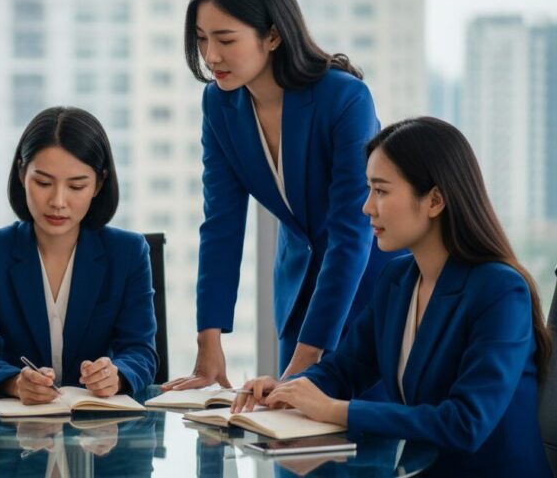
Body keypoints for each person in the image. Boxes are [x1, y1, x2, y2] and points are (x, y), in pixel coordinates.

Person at [232, 117, 553, 476]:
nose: (367, 207)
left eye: (381, 191)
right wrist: (288, 390)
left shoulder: (500, 291)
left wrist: (335, 410)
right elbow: (346, 368)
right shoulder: (397, 280)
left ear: (434, 201)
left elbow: (466, 423)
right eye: (368, 189)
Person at [163, 0, 400, 390]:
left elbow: (352, 230)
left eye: (226, 39)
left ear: (272, 35)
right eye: (201, 39)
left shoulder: (345, 99)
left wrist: (305, 362)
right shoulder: (219, 105)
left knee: (362, 442)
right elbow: (221, 224)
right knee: (290, 444)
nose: (211, 56)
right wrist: (208, 342)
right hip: (299, 294)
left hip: (367, 292)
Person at [0, 107, 158, 402]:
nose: (58, 202)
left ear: (99, 184)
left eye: (77, 186)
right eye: (43, 183)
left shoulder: (129, 252)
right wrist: (15, 383)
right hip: (12, 435)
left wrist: (117, 375)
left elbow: (140, 352)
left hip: (100, 436)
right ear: (22, 173)